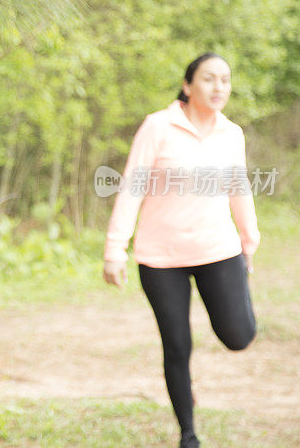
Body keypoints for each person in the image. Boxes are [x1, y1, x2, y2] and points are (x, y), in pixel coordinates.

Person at [102, 53, 260, 448]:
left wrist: (249, 240)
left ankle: (238, 301)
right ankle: (188, 432)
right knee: (176, 344)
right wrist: (115, 249)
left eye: (225, 79)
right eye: (209, 79)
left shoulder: (231, 133)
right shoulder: (159, 126)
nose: (218, 87)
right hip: (160, 258)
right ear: (188, 85)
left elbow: (238, 188)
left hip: (218, 250)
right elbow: (132, 187)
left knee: (239, 335)